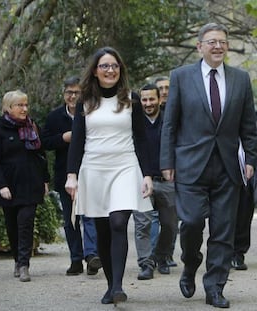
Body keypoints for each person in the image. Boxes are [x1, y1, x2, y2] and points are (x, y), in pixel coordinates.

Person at [160, 23, 257, 308]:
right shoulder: (181, 77)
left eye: (222, 42)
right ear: (199, 46)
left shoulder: (241, 79)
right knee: (190, 223)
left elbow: (249, 127)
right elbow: (170, 124)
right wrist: (167, 161)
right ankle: (190, 264)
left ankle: (215, 286)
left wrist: (250, 159)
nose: (218, 46)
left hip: (228, 167)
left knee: (223, 230)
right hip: (191, 165)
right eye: (212, 41)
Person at [65, 46, 153, 306]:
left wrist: (147, 174)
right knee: (103, 229)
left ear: (120, 70)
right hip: (93, 169)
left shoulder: (131, 99)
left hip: (125, 167)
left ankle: (117, 286)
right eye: (105, 66)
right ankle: (109, 284)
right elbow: (77, 141)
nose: (110, 70)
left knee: (118, 223)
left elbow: (141, 138)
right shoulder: (85, 101)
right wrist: (72, 175)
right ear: (95, 70)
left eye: (114, 66)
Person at [0, 90, 50, 282]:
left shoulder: (32, 127)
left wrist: (45, 180)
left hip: (31, 184)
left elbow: (41, 155)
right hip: (9, 186)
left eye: (26, 105)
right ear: (8, 108)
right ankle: (17, 259)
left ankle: (24, 265)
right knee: (12, 226)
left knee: (26, 223)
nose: (25, 109)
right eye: (20, 105)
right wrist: (1, 185)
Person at [42, 76, 101, 276]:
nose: (73, 96)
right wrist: (63, 138)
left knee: (90, 216)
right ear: (64, 94)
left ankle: (92, 256)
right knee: (70, 220)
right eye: (69, 92)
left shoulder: (92, 113)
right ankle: (76, 259)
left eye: (77, 92)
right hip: (64, 174)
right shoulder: (54, 117)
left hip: (90, 171)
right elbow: (45, 142)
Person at [134, 84, 179, 280]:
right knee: (142, 224)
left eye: (151, 99)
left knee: (170, 225)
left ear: (160, 99)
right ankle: (146, 263)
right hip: (141, 179)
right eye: (144, 100)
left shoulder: (169, 121)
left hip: (167, 179)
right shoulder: (134, 122)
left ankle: (162, 256)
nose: (148, 103)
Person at [232, 110, 257, 271]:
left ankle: (239, 253)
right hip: (225, 169)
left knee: (244, 214)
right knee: (223, 214)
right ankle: (223, 252)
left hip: (249, 173)